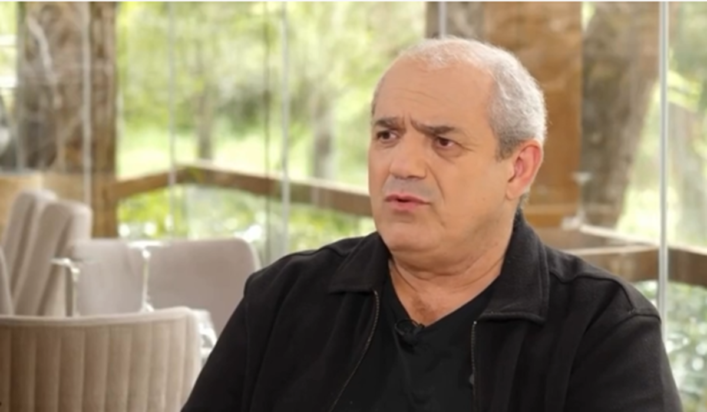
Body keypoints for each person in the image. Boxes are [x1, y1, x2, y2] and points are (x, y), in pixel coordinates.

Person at [182, 37, 681, 412]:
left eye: (443, 142)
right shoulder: (283, 298)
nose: (402, 165)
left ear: (518, 168)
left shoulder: (603, 327)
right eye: (387, 134)